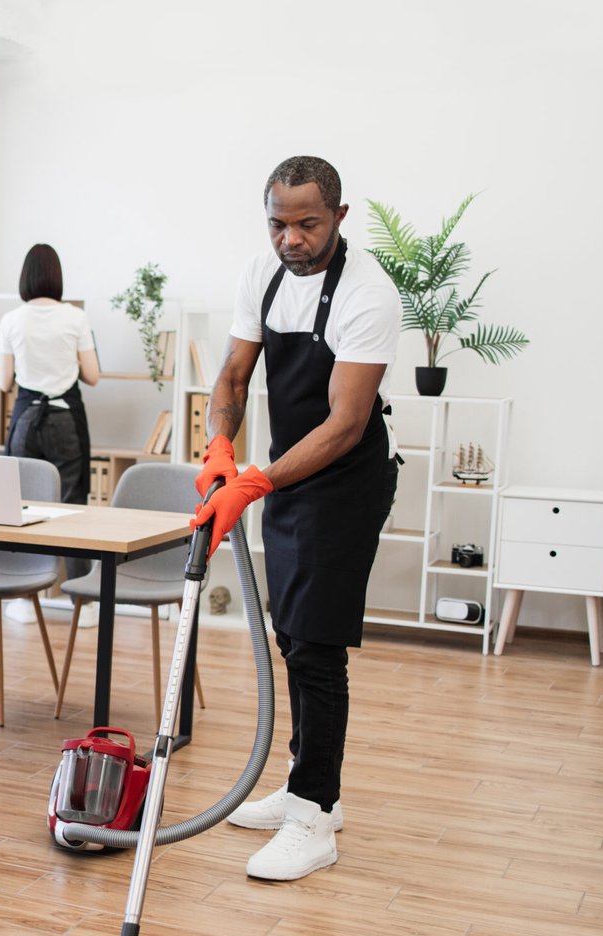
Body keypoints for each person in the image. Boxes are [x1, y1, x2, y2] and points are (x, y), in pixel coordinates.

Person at [193, 156, 400, 881]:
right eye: (279, 223)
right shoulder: (264, 274)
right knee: (291, 633)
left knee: (316, 644)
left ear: (341, 216)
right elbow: (234, 375)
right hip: (284, 475)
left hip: (345, 481)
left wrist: (251, 483)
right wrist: (221, 442)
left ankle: (314, 817)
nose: (292, 239)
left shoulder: (368, 294)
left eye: (308, 223)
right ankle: (310, 789)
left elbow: (345, 425)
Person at [0, 243, 99, 505]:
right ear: (57, 276)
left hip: (26, 419)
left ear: (25, 277)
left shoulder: (11, 320)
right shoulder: (76, 317)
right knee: (69, 501)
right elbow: (92, 376)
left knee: (22, 499)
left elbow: (5, 382)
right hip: (66, 420)